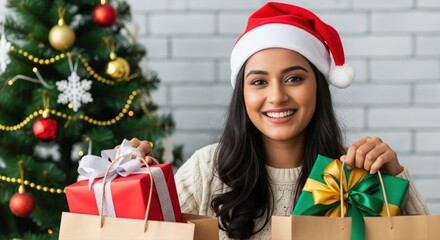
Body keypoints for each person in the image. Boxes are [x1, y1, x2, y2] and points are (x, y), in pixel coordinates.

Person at [126, 2, 429, 239]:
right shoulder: (206, 170)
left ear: (318, 87)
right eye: (259, 82)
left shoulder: (354, 177)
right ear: (242, 94)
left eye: (294, 78)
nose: (277, 96)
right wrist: (138, 186)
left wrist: (394, 179)